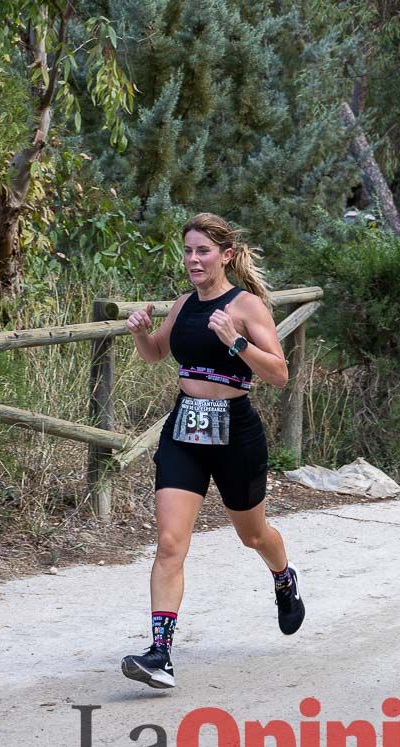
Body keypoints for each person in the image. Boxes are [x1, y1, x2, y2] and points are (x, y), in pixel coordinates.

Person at [119, 212, 305, 690]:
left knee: (254, 534)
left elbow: (279, 375)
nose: (194, 260)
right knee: (170, 543)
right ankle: (160, 652)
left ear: (225, 255)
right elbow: (157, 354)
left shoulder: (247, 306)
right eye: (188, 250)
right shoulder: (182, 305)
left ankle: (283, 577)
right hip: (185, 429)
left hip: (236, 432)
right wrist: (141, 330)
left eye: (203, 251)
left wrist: (236, 340)